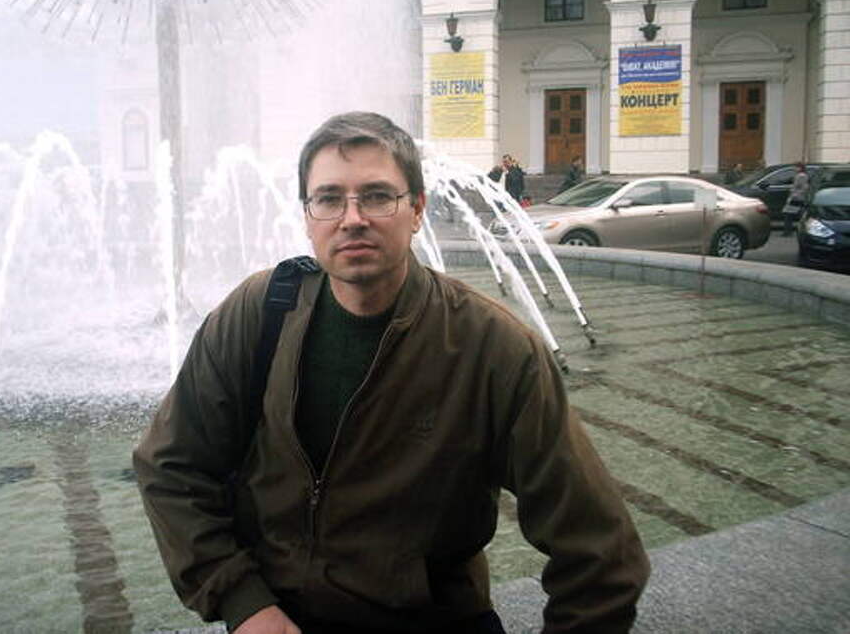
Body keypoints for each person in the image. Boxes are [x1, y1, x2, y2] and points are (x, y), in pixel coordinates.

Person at [134, 112, 650, 634]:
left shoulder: (492, 348)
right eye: (329, 199)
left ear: (417, 209)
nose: (352, 218)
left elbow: (602, 554)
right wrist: (243, 602)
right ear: (307, 215)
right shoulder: (260, 312)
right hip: (277, 619)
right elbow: (171, 465)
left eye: (378, 196)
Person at [782, 161, 810, 236]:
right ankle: (794, 230)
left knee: (788, 213)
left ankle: (788, 231)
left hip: (796, 197)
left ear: (800, 168)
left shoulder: (801, 176)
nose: (794, 168)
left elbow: (801, 187)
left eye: (796, 167)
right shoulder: (801, 175)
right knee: (798, 214)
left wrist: (794, 195)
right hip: (798, 197)